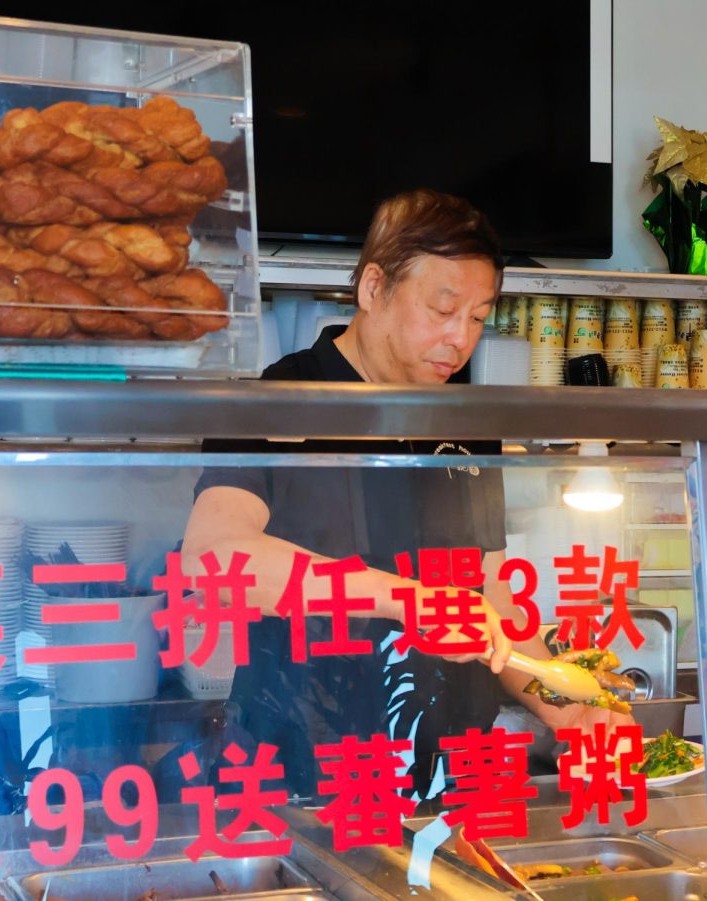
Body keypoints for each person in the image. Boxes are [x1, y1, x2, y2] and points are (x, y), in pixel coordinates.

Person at [182, 188, 630, 800]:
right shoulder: (282, 397)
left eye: (476, 317)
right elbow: (213, 557)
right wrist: (411, 600)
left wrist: (568, 707)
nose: (459, 339)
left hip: (449, 777)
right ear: (374, 288)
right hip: (306, 768)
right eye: (442, 310)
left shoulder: (467, 421)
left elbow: (493, 598)